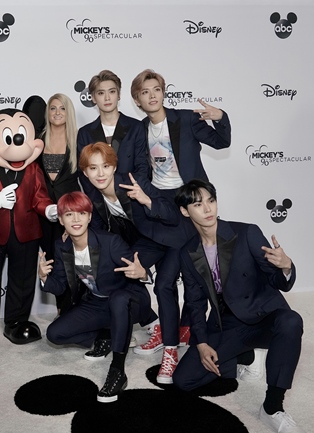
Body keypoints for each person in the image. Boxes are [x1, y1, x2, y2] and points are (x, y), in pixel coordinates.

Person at [173, 179, 304, 433]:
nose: (208, 209)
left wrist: (286, 266)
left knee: (291, 321)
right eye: (198, 204)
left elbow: (277, 280)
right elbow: (195, 302)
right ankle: (247, 356)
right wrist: (201, 343)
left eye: (211, 201)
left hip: (262, 317)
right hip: (226, 324)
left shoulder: (246, 233)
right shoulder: (187, 252)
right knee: (183, 380)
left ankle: (272, 407)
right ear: (184, 211)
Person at [129, 68, 232, 358]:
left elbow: (221, 142)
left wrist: (220, 117)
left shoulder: (185, 119)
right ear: (137, 100)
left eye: (156, 89)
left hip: (188, 201)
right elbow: (139, 168)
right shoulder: (139, 130)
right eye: (145, 92)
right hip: (159, 204)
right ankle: (173, 329)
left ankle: (182, 330)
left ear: (164, 92)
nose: (152, 96)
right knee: (169, 275)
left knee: (189, 272)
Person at [79, 142, 191, 383]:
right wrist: (75, 235)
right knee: (123, 270)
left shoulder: (133, 180)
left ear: (114, 167)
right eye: (93, 168)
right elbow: (100, 231)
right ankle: (154, 325)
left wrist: (146, 200)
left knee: (163, 286)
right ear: (85, 172)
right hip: (147, 242)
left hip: (173, 237)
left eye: (105, 166)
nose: (100, 173)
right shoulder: (93, 195)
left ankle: (170, 352)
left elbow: (173, 215)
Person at [38, 191, 152, 403]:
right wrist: (44, 277)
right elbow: (60, 286)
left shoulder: (110, 242)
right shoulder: (62, 246)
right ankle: (106, 336)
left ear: (89, 217)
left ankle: (117, 370)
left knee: (118, 299)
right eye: (69, 214)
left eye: (81, 213)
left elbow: (137, 270)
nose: (76, 219)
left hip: (130, 300)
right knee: (55, 334)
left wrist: (143, 273)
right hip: (98, 302)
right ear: (61, 220)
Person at [77, 70, 150, 202]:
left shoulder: (136, 127)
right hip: (99, 203)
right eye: (101, 93)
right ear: (93, 98)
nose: (107, 98)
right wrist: (100, 202)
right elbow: (83, 173)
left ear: (119, 95)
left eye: (112, 92)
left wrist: (124, 194)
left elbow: (142, 167)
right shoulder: (85, 133)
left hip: (132, 199)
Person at [37, 93, 81, 315]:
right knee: (51, 261)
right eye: (53, 108)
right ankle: (61, 310)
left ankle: (76, 310)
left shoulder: (78, 139)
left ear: (68, 112)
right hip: (43, 213)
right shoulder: (38, 140)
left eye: (62, 108)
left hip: (70, 213)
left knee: (72, 262)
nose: (57, 113)